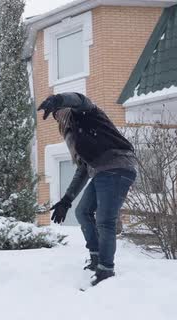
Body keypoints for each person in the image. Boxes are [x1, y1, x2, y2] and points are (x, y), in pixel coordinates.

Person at [37, 92, 137, 286]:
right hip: (101, 171)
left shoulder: (87, 114)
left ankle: (106, 270)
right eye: (56, 114)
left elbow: (80, 99)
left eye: (60, 111)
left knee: (105, 221)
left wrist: (58, 99)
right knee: (82, 211)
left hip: (118, 165)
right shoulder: (73, 135)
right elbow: (83, 169)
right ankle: (96, 257)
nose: (58, 115)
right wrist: (67, 199)